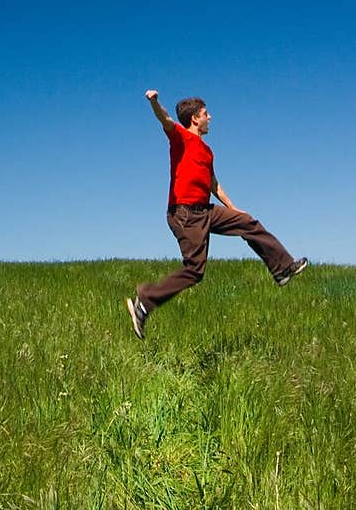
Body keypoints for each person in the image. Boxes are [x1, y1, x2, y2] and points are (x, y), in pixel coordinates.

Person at [126, 90, 308, 339]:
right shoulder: (180, 138)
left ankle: (283, 269)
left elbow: (214, 185)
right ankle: (145, 302)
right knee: (194, 271)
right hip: (184, 214)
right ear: (194, 119)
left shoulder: (207, 151)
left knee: (248, 223)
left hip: (205, 210)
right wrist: (155, 102)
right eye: (205, 114)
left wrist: (234, 209)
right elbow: (165, 119)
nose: (210, 117)